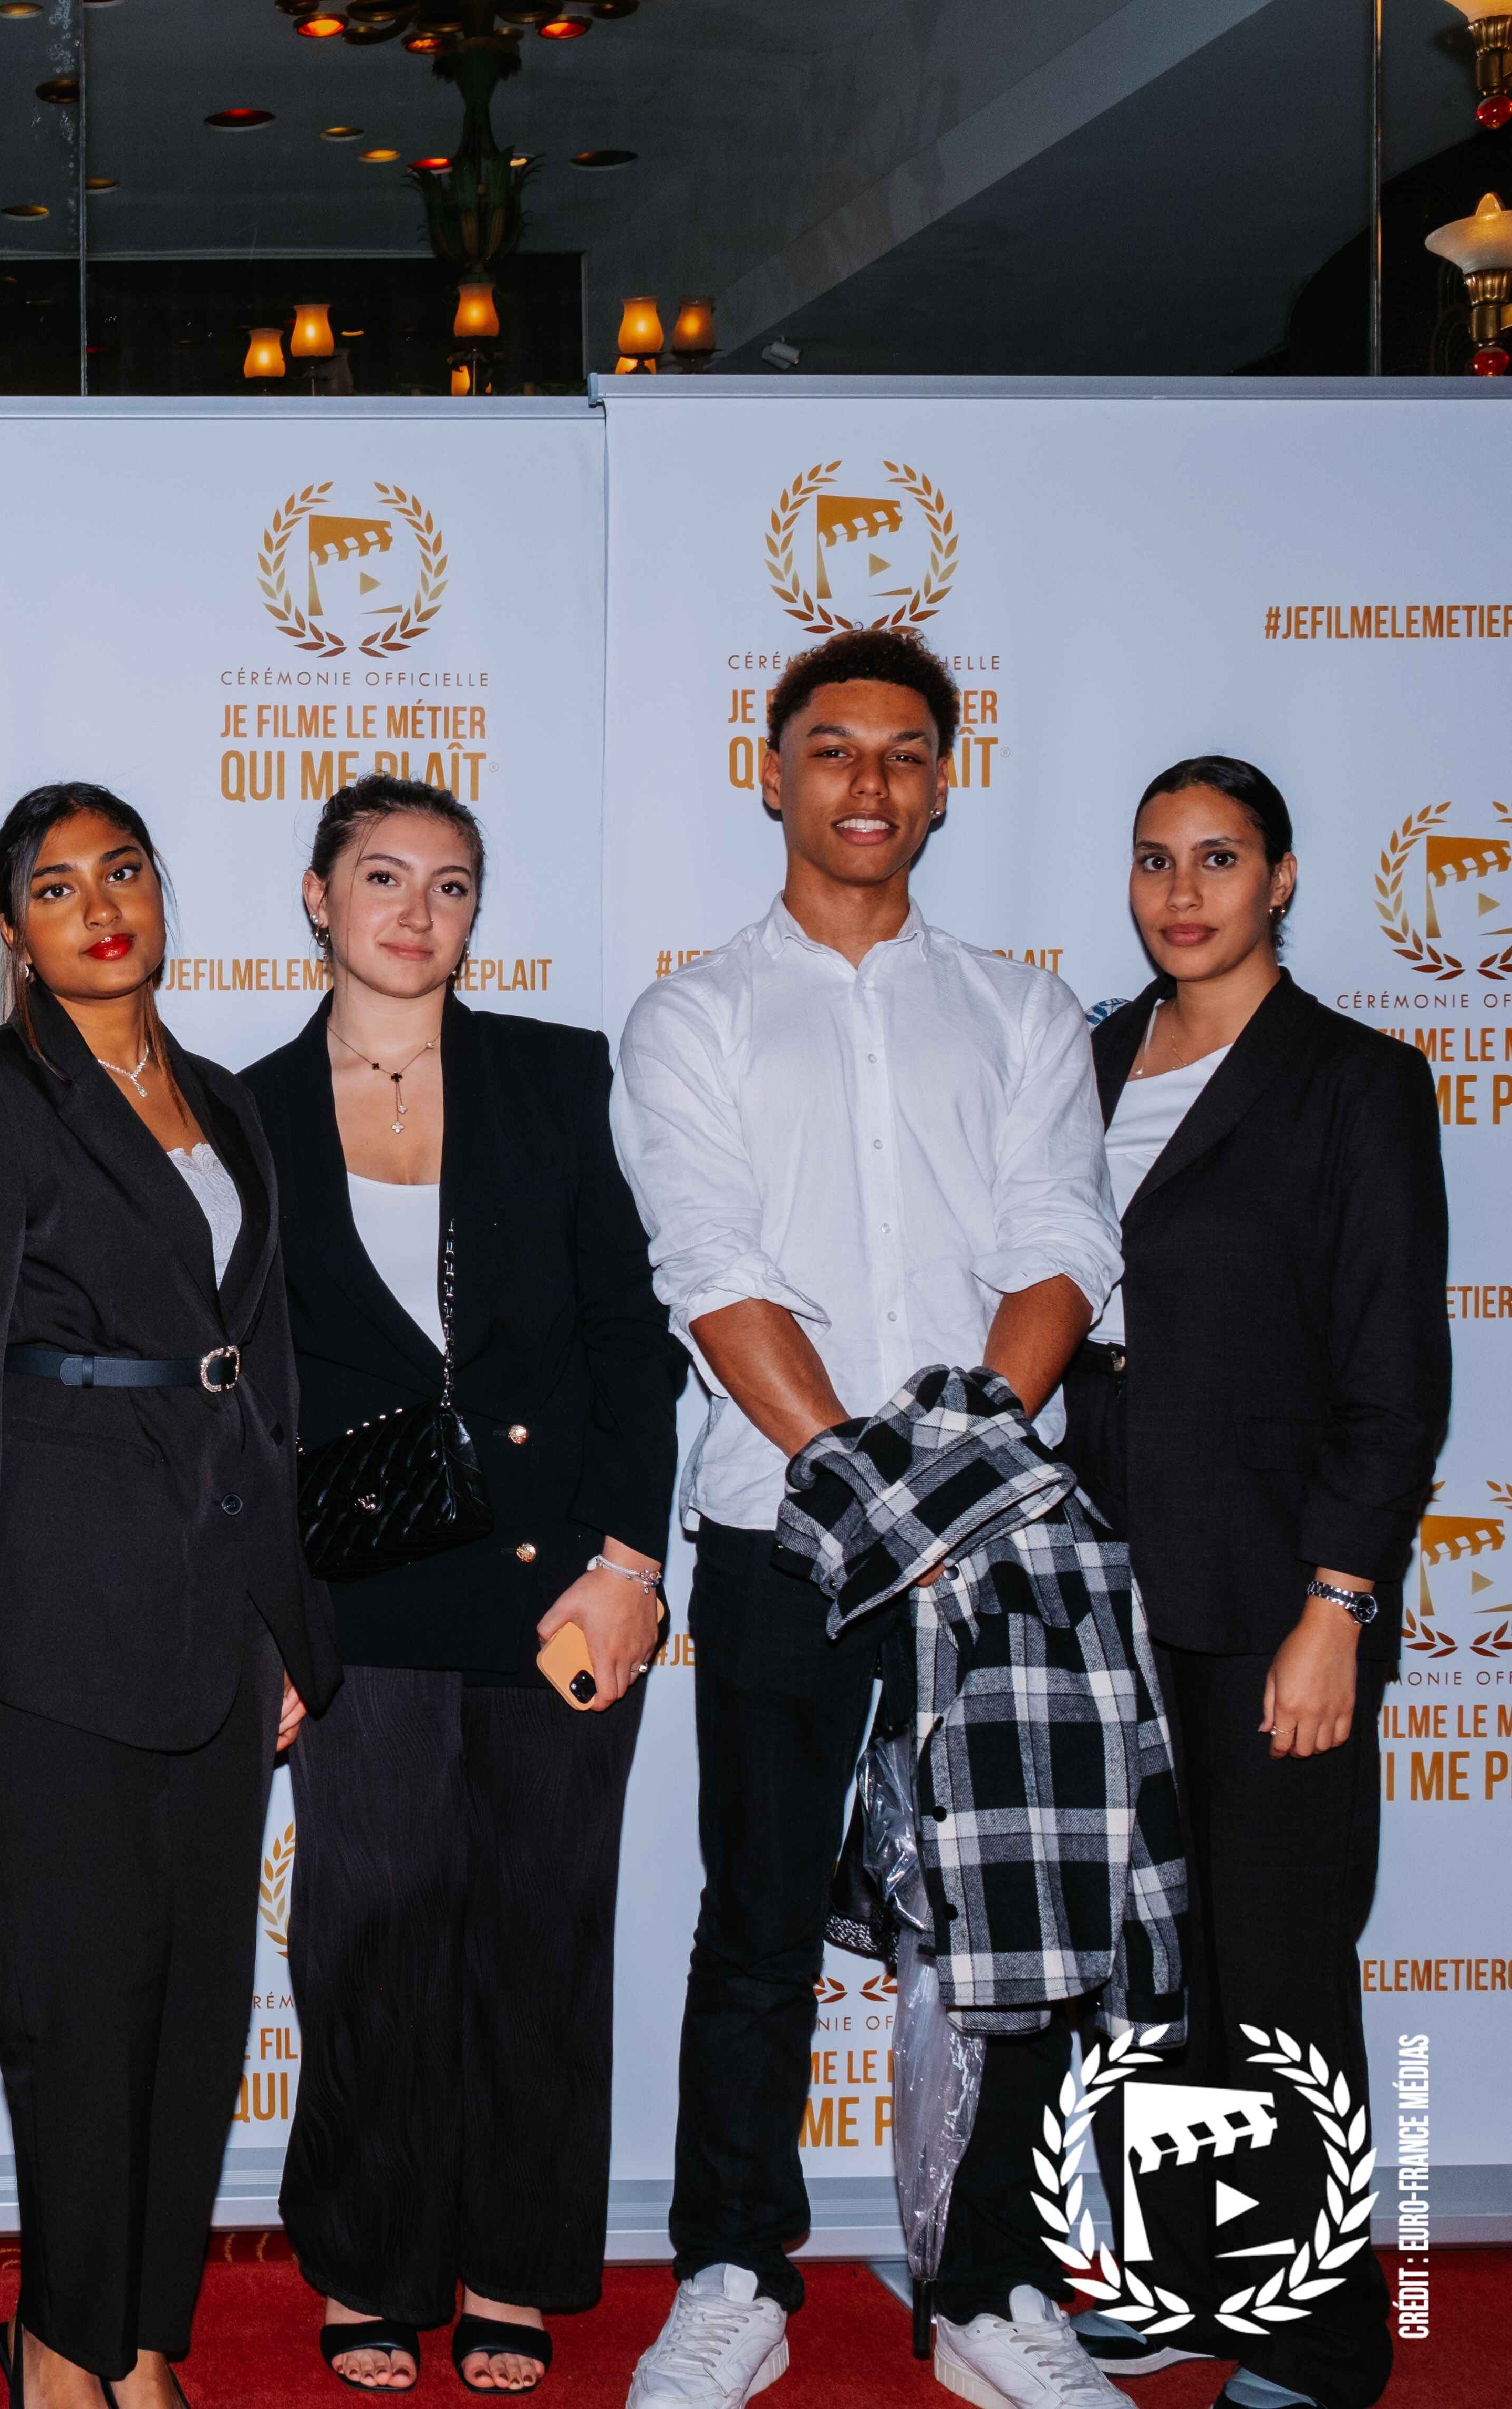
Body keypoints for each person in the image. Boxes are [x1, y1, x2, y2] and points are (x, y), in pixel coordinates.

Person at [610, 626, 1131, 2409]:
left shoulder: (1023, 1011)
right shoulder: (689, 1015)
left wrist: (948, 1482)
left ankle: (988, 2290)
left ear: (942, 784)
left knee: (1010, 1931)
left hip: (995, 1545)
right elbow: (711, 1269)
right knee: (757, 1915)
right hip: (781, 1532)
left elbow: (1059, 1239)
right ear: (770, 771)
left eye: (905, 753)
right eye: (832, 748)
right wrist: (870, 1486)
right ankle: (732, 2273)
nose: (868, 784)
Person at [0, 782, 336, 2409]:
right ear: (13, 931)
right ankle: (63, 2349)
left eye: (122, 872)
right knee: (78, 2013)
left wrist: (291, 1615)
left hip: (219, 1612)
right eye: (56, 885)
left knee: (197, 2008)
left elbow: (264, 1369)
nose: (98, 906)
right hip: (46, 1618)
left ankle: (140, 2336)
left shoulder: (225, 1101)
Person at [241, 777, 681, 2398]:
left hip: (558, 1590)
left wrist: (631, 1562)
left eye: (447, 885)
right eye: (381, 877)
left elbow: (630, 1338)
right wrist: (261, 1615)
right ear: (317, 896)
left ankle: (513, 2261)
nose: (414, 913)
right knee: (364, 1935)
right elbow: (241, 1396)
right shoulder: (243, 1113)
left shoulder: (557, 1078)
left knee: (542, 1928)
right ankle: (369, 2260)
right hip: (355, 1594)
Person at [1057, 757, 1442, 2409]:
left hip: (1276, 1591)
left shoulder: (1351, 1081)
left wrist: (1336, 1605)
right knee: (1150, 1969)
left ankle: (1322, 2337)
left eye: (1217, 859)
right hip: (1098, 1584)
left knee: (1277, 1969)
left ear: (1280, 878)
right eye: (1154, 859)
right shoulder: (1083, 1062)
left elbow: (1393, 1373)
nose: (1180, 892)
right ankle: (1182, 2280)